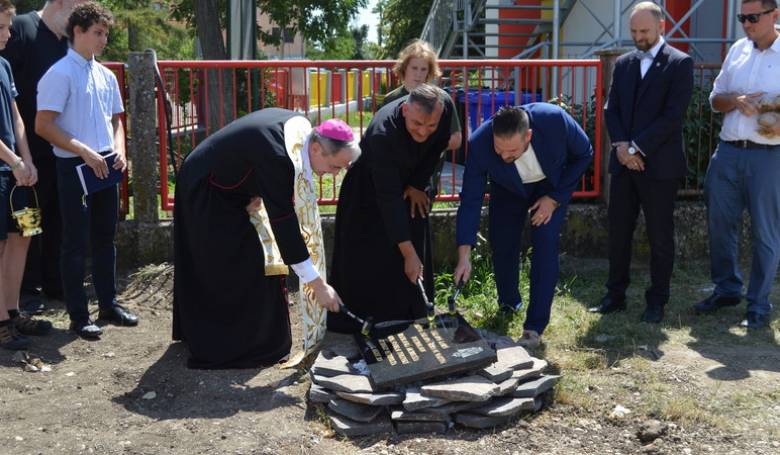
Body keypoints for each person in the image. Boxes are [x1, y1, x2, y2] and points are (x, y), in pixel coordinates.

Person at [172, 111, 359, 369]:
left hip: (227, 188)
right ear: (316, 148)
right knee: (236, 263)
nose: (335, 174)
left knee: (257, 259)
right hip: (205, 189)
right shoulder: (280, 157)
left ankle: (248, 338)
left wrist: (254, 187)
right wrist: (317, 284)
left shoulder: (299, 132)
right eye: (335, 166)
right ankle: (228, 346)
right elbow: (285, 223)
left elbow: (254, 160)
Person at [453, 104, 592, 348]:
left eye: (512, 151)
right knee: (502, 243)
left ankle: (534, 327)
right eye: (499, 150)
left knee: (545, 245)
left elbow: (583, 153)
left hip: (549, 190)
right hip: (508, 190)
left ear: (528, 136)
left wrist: (555, 198)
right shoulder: (479, 143)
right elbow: (471, 199)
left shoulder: (554, 120)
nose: (504, 157)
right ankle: (509, 303)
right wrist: (464, 255)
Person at [35, 1, 135, 339]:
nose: (103, 39)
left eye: (106, 33)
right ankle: (79, 315)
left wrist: (120, 150)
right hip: (74, 166)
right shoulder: (59, 73)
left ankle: (108, 304)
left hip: (105, 163)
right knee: (74, 241)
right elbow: (43, 125)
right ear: (77, 32)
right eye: (97, 33)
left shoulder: (105, 75)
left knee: (106, 236)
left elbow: (117, 120)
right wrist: (82, 150)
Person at [590, 1, 693, 324]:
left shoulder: (680, 63)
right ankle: (615, 295)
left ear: (661, 27)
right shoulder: (623, 63)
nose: (639, 37)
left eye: (644, 31)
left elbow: (672, 117)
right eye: (634, 31)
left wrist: (636, 148)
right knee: (619, 232)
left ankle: (657, 301)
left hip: (659, 167)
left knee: (660, 235)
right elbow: (611, 109)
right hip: (623, 164)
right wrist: (622, 147)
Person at [327, 84, 454, 333]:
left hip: (411, 183)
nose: (423, 132)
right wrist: (408, 253)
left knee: (414, 227)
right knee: (374, 253)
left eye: (430, 126)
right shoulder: (382, 134)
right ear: (405, 109)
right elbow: (388, 198)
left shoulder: (444, 108)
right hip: (369, 191)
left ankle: (412, 311)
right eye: (417, 123)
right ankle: (364, 319)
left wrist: (418, 184)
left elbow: (436, 147)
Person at [693, 0, 780, 329]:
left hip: (770, 157)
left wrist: (769, 113)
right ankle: (727, 289)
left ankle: (758, 304)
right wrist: (737, 101)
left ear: (775, 15)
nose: (746, 23)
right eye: (742, 18)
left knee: (766, 234)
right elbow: (715, 99)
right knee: (719, 225)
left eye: (753, 17)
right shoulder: (738, 50)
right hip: (727, 151)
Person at [0, 0, 82, 315]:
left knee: (56, 218)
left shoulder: (67, 39)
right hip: (18, 159)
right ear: (60, 3)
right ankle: (23, 293)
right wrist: (19, 158)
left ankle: (53, 284)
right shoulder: (21, 28)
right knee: (22, 226)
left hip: (52, 151)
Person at [0, 0, 48, 350]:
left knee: (24, 236)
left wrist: (26, 160)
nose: (9, 33)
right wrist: (14, 162)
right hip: (5, 169)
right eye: (2, 27)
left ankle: (14, 312)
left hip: (17, 169)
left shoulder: (3, 64)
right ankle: (1, 323)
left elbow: (16, 117)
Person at [383, 39, 462, 154]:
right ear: (404, 68)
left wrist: (429, 144)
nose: (418, 74)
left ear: (429, 71)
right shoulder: (390, 99)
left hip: (430, 168)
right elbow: (381, 135)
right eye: (414, 68)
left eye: (423, 69)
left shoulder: (443, 99)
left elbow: (456, 139)